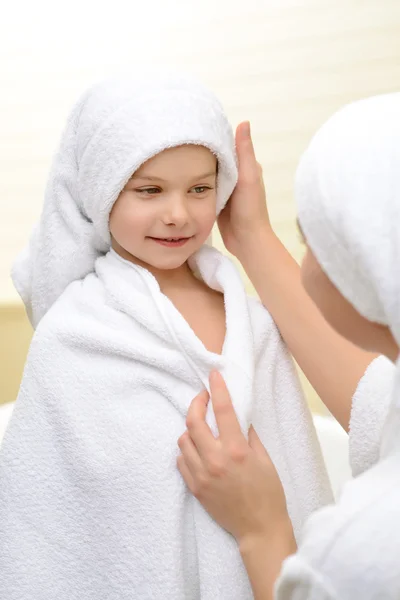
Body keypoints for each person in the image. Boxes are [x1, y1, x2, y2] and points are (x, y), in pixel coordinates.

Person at [0, 72, 335, 600]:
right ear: (102, 190)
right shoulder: (75, 335)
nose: (178, 214)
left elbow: (297, 476)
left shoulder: (258, 324)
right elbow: (50, 525)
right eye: (149, 190)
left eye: (200, 189)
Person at [178, 92, 400, 599]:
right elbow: (378, 404)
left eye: (310, 238)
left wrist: (262, 529)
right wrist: (252, 236)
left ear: (369, 266)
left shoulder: (360, 552)